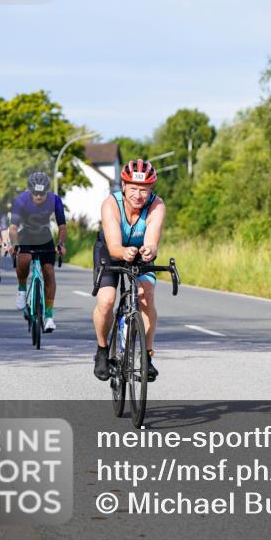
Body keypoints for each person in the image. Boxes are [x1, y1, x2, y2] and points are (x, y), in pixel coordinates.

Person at [92, 159, 166, 383]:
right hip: (110, 251)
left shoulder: (157, 206)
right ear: (123, 186)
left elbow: (152, 240)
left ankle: (147, 355)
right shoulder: (110, 204)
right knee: (106, 300)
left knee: (147, 295)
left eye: (144, 190)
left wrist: (149, 250)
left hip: (139, 254)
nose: (138, 195)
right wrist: (123, 252)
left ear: (151, 190)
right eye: (133, 189)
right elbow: (114, 247)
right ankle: (103, 350)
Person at [8, 172, 66, 332]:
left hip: (44, 235)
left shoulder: (55, 200)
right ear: (30, 191)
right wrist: (13, 244)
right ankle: (21, 289)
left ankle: (49, 316)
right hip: (26, 234)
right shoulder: (21, 200)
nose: (39, 196)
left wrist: (61, 244)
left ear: (47, 191)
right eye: (35, 193)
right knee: (24, 259)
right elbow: (13, 228)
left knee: (49, 272)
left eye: (42, 193)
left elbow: (62, 226)